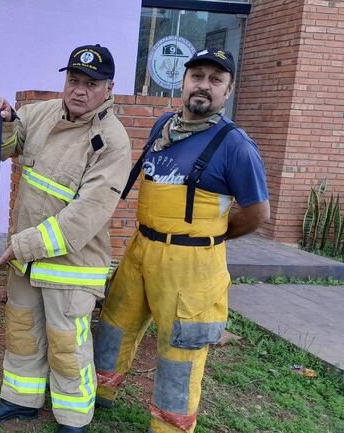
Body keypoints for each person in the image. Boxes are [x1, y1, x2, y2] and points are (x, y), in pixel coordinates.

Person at [93, 48, 270, 433]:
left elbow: (258, 214)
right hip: (141, 250)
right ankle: (98, 394)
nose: (203, 86)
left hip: (191, 267)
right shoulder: (164, 125)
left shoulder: (236, 145)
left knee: (180, 352)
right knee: (114, 324)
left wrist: (209, 237)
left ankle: (170, 428)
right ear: (184, 81)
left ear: (228, 90)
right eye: (197, 76)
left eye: (215, 80)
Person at [0, 44, 131, 433]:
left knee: (67, 345)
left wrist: (23, 245)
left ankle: (73, 418)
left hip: (70, 266)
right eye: (73, 80)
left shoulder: (112, 140)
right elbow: (3, 148)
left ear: (109, 87)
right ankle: (21, 399)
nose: (79, 90)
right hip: (27, 258)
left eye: (90, 84)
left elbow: (87, 215)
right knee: (23, 329)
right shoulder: (42, 113)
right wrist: (7, 121)